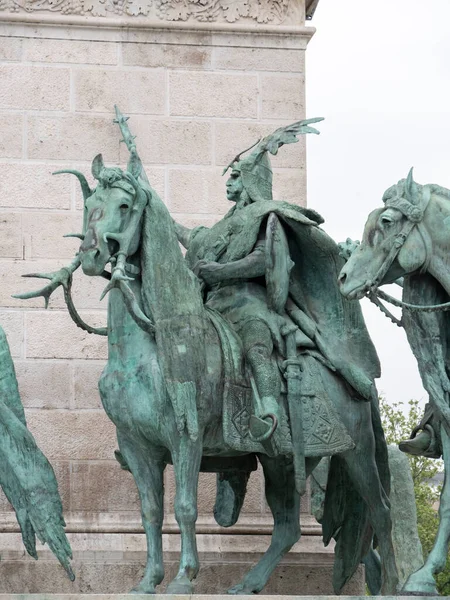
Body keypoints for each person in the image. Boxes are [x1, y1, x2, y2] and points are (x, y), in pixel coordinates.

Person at [173, 119, 380, 444]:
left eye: (237, 176)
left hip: (249, 307)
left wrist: (221, 272)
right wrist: (151, 211)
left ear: (252, 181)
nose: (229, 182)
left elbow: (264, 260)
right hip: (213, 310)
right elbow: (191, 237)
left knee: (256, 345)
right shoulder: (223, 227)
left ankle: (267, 407)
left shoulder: (267, 216)